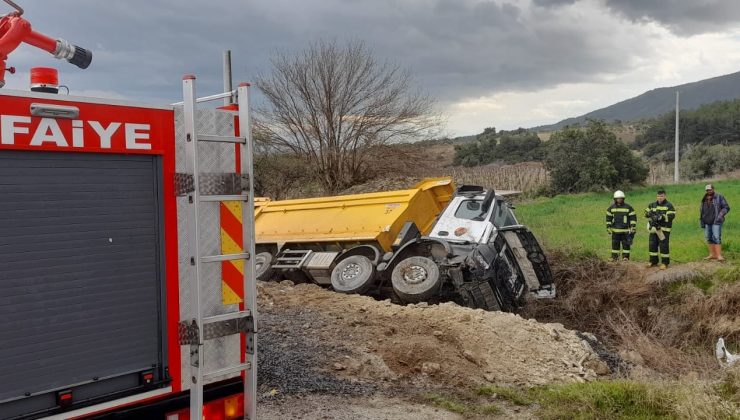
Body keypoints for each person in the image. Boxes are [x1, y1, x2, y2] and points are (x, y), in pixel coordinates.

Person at [645, 189, 676, 269]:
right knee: (652, 245)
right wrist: (648, 214)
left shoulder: (669, 205)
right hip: (653, 229)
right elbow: (645, 213)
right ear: (656, 196)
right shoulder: (652, 205)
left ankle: (665, 263)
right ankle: (653, 261)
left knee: (663, 246)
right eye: (658, 196)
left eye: (661, 196)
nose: (660, 198)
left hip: (663, 230)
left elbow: (671, 216)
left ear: (665, 196)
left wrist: (660, 217)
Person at [700, 184, 730, 261]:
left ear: (713, 189)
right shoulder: (704, 199)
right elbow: (702, 210)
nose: (708, 191)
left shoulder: (719, 197)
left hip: (716, 221)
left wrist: (720, 215)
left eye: (710, 189)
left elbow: (726, 207)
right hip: (707, 221)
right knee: (709, 238)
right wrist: (702, 219)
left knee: (716, 238)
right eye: (707, 190)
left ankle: (719, 255)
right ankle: (712, 254)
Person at [606, 190, 637, 261]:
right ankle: (614, 257)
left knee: (626, 245)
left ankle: (625, 258)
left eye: (620, 198)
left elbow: (633, 217)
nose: (619, 199)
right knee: (615, 245)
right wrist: (608, 227)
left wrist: (633, 226)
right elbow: (608, 218)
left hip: (625, 231)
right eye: (618, 198)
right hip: (615, 231)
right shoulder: (611, 208)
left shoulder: (628, 207)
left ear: (623, 199)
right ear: (615, 199)